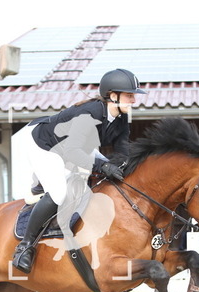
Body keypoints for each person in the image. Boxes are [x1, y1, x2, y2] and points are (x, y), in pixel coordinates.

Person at [11, 68, 147, 274]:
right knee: (59, 194)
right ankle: (25, 247)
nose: (134, 100)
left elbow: (122, 152)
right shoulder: (90, 113)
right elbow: (73, 152)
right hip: (44, 145)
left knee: (107, 170)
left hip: (75, 147)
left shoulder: (122, 118)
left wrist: (124, 168)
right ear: (113, 96)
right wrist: (103, 166)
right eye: (130, 95)